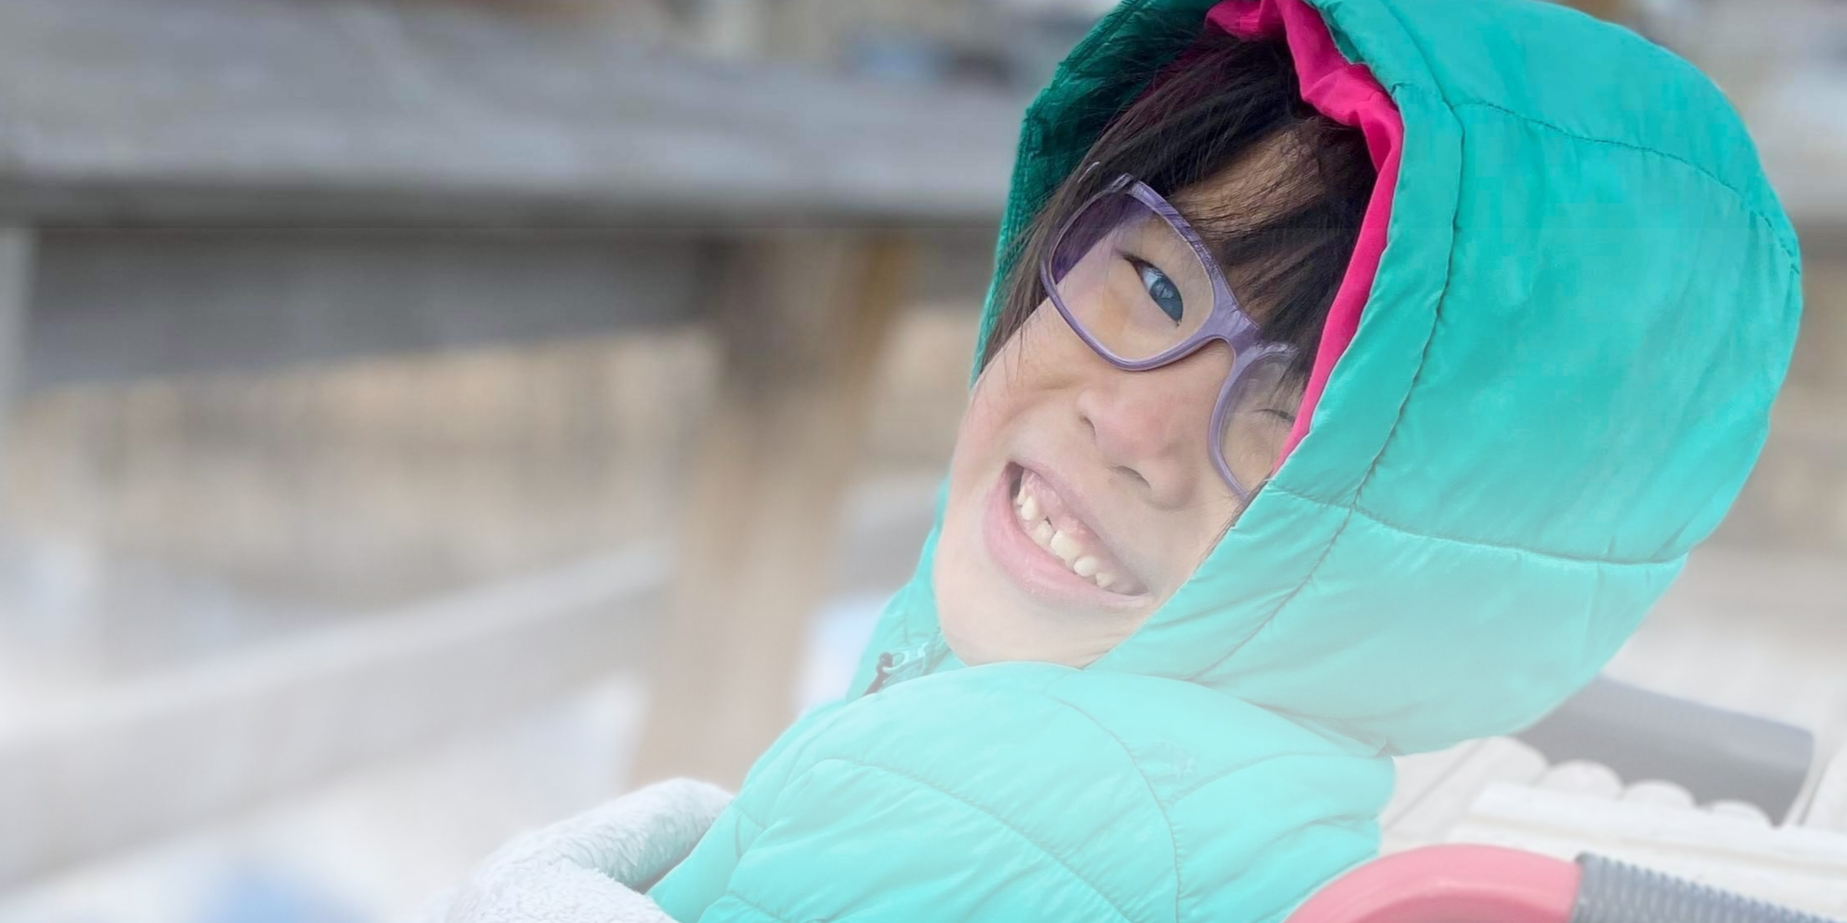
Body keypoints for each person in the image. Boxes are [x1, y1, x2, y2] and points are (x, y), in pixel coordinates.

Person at [425, 0, 1802, 919]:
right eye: (1151, 285)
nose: (1134, 428)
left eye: (1287, 419)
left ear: (1421, 561)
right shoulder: (1259, 813)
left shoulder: (983, 809)